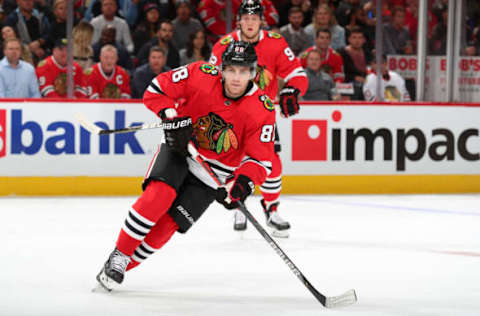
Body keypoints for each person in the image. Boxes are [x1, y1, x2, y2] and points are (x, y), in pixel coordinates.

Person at [95, 40, 276, 291]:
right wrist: (171, 117)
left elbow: (261, 160)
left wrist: (242, 184)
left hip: (214, 175)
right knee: (160, 195)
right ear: (221, 69)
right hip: (181, 148)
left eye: (243, 71)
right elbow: (156, 90)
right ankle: (120, 255)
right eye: (231, 70)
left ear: (253, 73)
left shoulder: (262, 108)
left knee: (169, 225)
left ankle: (120, 266)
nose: (236, 78)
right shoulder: (200, 74)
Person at [210, 0, 308, 237]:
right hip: (230, 116)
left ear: (261, 20)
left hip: (262, 116)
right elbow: (210, 82)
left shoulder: (275, 43)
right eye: (246, 18)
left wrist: (292, 90)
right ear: (239, 21)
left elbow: (297, 74)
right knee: (234, 164)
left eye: (255, 19)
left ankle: (271, 209)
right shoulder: (223, 45)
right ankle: (239, 205)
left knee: (271, 163)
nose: (250, 23)